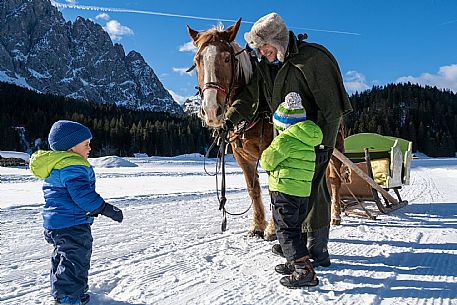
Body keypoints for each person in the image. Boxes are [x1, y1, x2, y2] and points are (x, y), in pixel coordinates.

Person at [225, 13, 352, 268]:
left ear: (279, 40)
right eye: (258, 48)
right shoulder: (265, 66)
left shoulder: (313, 58)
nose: (261, 52)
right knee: (292, 191)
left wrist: (324, 145)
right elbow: (250, 96)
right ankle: (296, 245)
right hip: (285, 139)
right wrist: (228, 120)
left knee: (314, 190)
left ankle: (317, 248)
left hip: (314, 138)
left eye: (265, 46)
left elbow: (332, 108)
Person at [30, 120, 124, 305]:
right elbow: (81, 195)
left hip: (56, 223)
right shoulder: (73, 165)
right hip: (71, 223)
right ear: (71, 148)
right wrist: (104, 208)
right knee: (74, 261)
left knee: (63, 258)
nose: (90, 148)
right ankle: (67, 298)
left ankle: (71, 292)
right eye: (86, 144)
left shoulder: (57, 164)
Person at [260, 92, 323, 288]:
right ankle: (293, 261)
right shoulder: (308, 139)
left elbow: (266, 161)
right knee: (296, 227)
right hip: (302, 192)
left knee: (285, 230)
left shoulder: (284, 140)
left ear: (282, 123)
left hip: (284, 190)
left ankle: (303, 271)